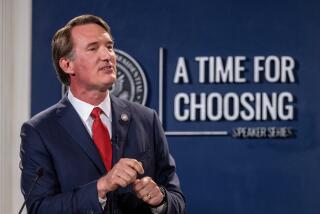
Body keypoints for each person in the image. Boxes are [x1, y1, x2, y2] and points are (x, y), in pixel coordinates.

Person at [20, 14, 185, 214]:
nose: (107, 55)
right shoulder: (40, 131)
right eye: (93, 48)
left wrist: (160, 199)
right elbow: (39, 209)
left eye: (109, 46)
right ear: (67, 65)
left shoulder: (146, 119)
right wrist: (101, 187)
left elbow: (176, 200)